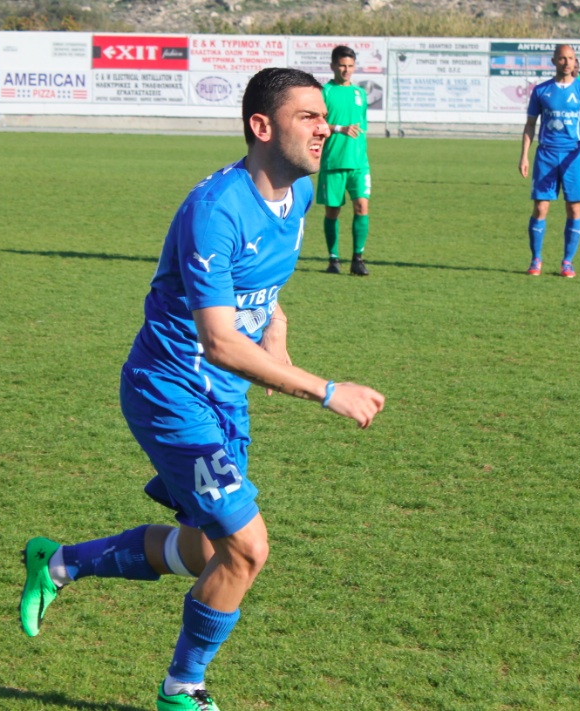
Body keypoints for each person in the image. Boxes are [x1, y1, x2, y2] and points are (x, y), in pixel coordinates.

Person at [19, 67, 385, 711]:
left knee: (203, 550)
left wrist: (277, 328)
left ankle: (58, 563)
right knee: (248, 548)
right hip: (171, 390)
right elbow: (219, 342)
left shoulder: (298, 193)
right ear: (261, 126)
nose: (325, 129)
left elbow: (260, 283)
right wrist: (328, 391)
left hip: (224, 396)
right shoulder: (215, 211)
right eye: (309, 117)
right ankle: (181, 689)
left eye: (325, 118)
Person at [518, 44, 580, 278]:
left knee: (574, 208)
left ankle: (567, 262)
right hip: (546, 155)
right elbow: (530, 124)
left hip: (573, 155)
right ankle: (536, 259)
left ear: (575, 62)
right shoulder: (541, 90)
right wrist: (524, 155)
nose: (567, 62)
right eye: (562, 58)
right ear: (554, 61)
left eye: (571, 58)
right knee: (540, 207)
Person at [317, 45, 372, 276]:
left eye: (350, 66)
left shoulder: (360, 94)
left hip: (359, 163)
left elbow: (362, 126)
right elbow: (316, 124)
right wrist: (340, 128)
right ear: (332, 66)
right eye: (342, 65)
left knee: (362, 207)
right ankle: (333, 259)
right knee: (332, 212)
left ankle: (358, 259)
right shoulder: (324, 92)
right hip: (333, 162)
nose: (346, 70)